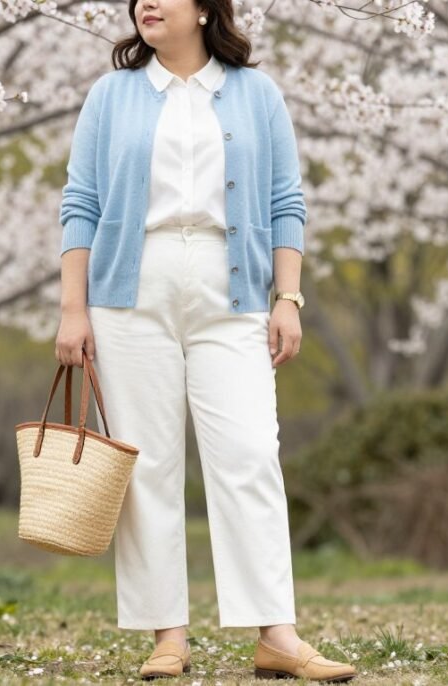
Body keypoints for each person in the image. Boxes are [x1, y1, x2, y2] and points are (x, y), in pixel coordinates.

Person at [54, 0, 357, 681]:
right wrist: (73, 309)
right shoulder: (111, 95)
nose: (146, 3)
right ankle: (167, 635)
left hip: (234, 288)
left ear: (204, 10)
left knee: (250, 454)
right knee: (146, 465)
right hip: (129, 291)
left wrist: (288, 298)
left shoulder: (256, 93)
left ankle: (277, 634)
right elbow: (81, 202)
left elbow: (286, 200)